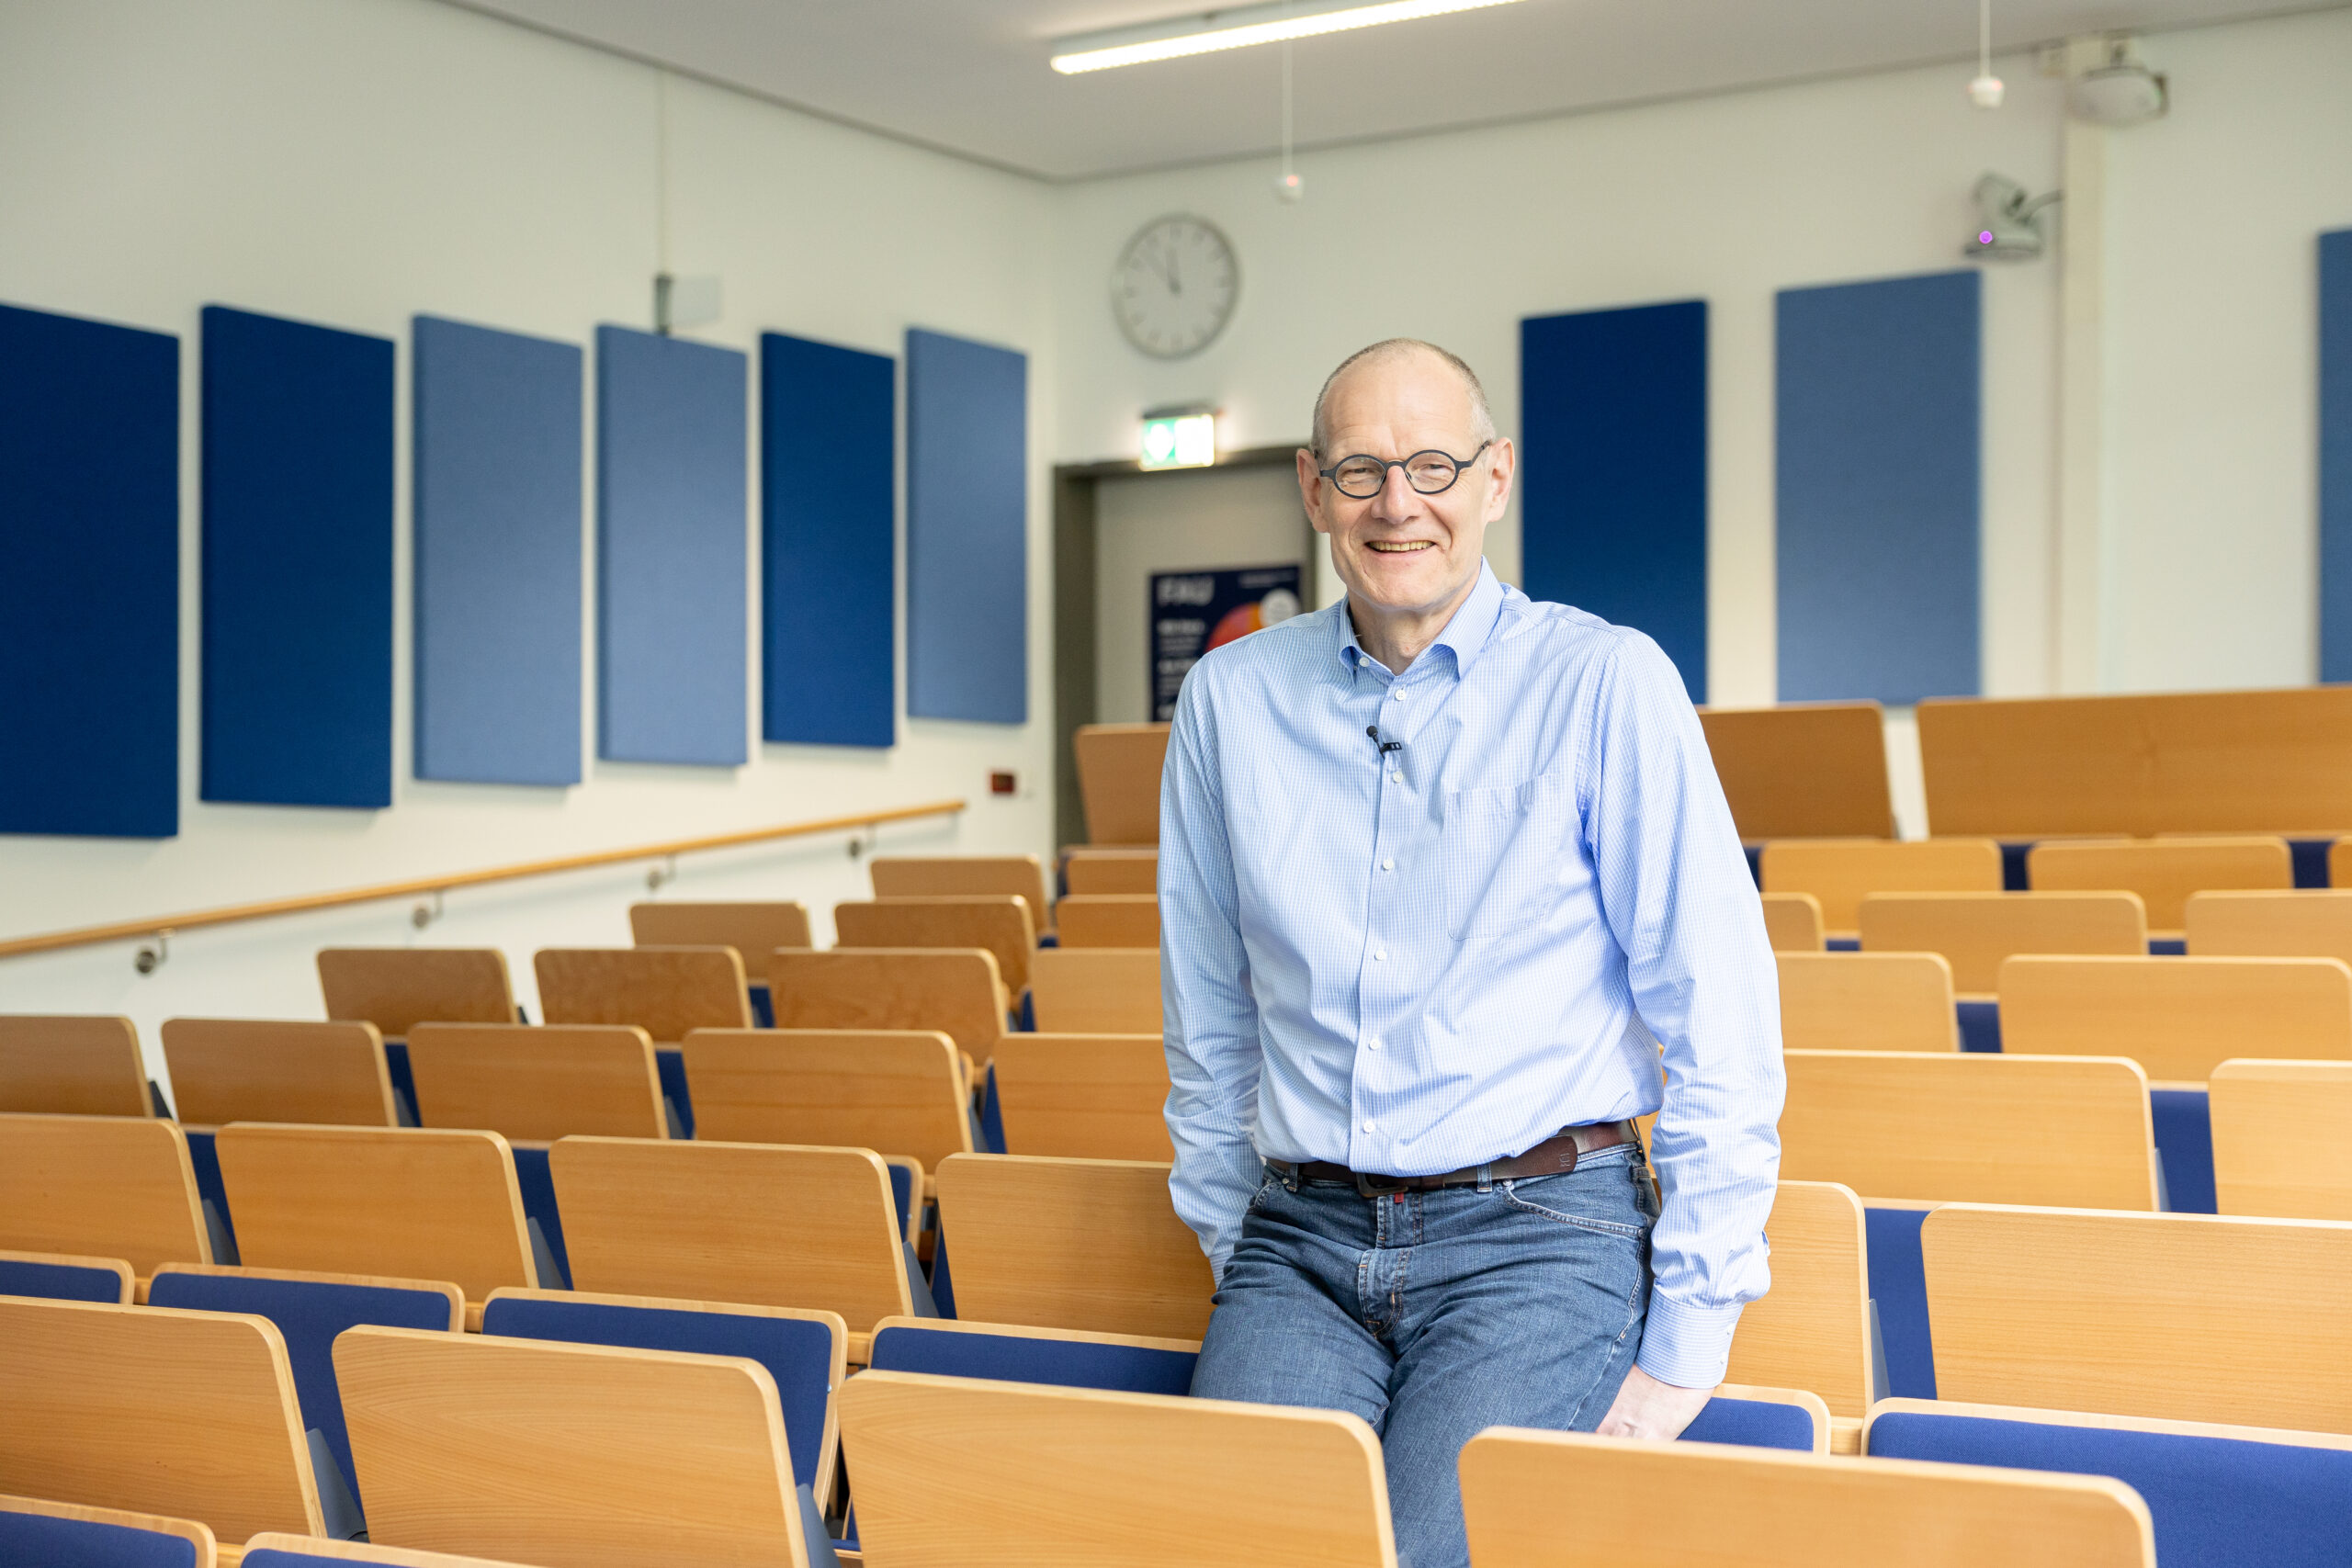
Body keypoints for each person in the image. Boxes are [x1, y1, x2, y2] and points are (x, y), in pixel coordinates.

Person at [1159, 338, 1784, 1568]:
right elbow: (1208, 1018)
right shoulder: (1230, 701)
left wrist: (1690, 1335)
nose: (1400, 503)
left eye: (1434, 465)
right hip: (1302, 1237)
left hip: (1543, 1233)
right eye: (1361, 471)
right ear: (1311, 488)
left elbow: (1719, 1016)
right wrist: (1239, 1238)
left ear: (1495, 479)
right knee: (1241, 1549)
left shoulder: (1606, 682)